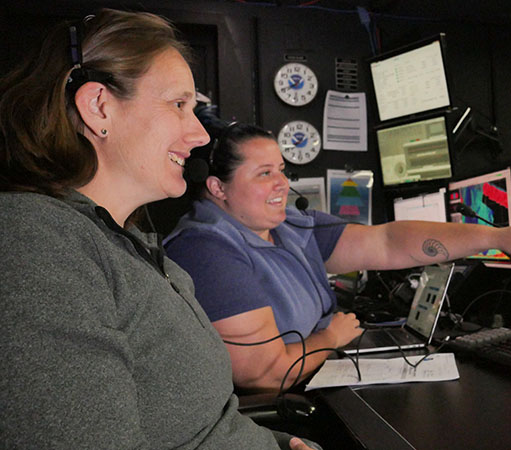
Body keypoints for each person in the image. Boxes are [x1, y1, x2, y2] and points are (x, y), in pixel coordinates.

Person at [0, 9, 317, 450]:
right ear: (98, 106)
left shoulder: (126, 242)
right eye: (178, 104)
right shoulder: (35, 243)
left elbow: (201, 424)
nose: (200, 135)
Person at [164, 120, 511, 393]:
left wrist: (499, 236)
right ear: (217, 188)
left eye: (282, 169)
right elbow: (266, 373)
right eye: (264, 173)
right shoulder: (206, 250)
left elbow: (388, 242)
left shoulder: (289, 226)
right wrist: (332, 337)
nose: (283, 184)